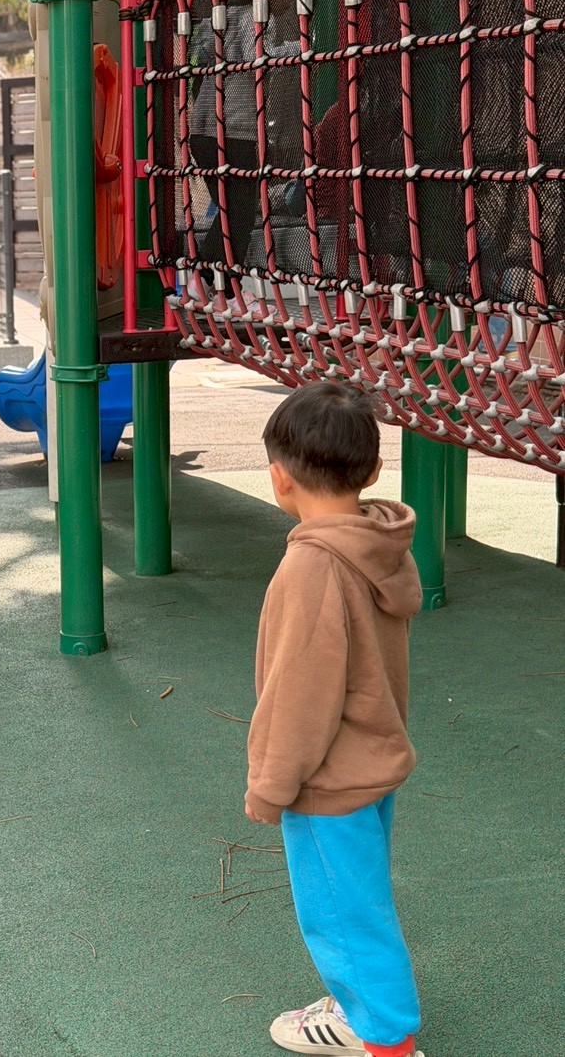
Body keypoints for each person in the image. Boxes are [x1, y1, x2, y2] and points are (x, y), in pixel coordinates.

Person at [247, 383, 426, 1057]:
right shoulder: (377, 545)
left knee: (344, 916)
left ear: (279, 477)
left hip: (328, 779)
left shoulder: (311, 567)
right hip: (372, 758)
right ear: (372, 472)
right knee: (359, 898)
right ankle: (362, 1011)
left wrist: (271, 783)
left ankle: (383, 1038)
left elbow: (300, 691)